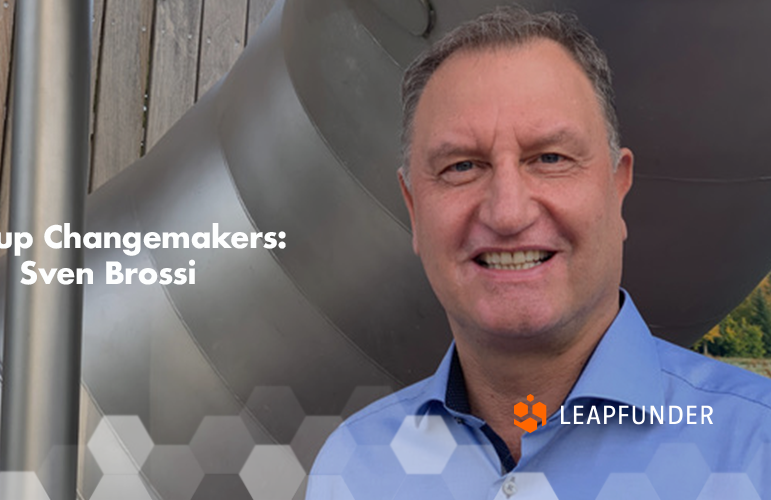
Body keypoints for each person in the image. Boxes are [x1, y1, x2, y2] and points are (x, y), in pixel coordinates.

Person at [307, 6, 771, 500]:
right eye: (462, 166)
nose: (508, 213)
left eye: (550, 158)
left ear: (618, 189)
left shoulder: (756, 450)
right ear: (415, 210)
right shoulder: (352, 466)